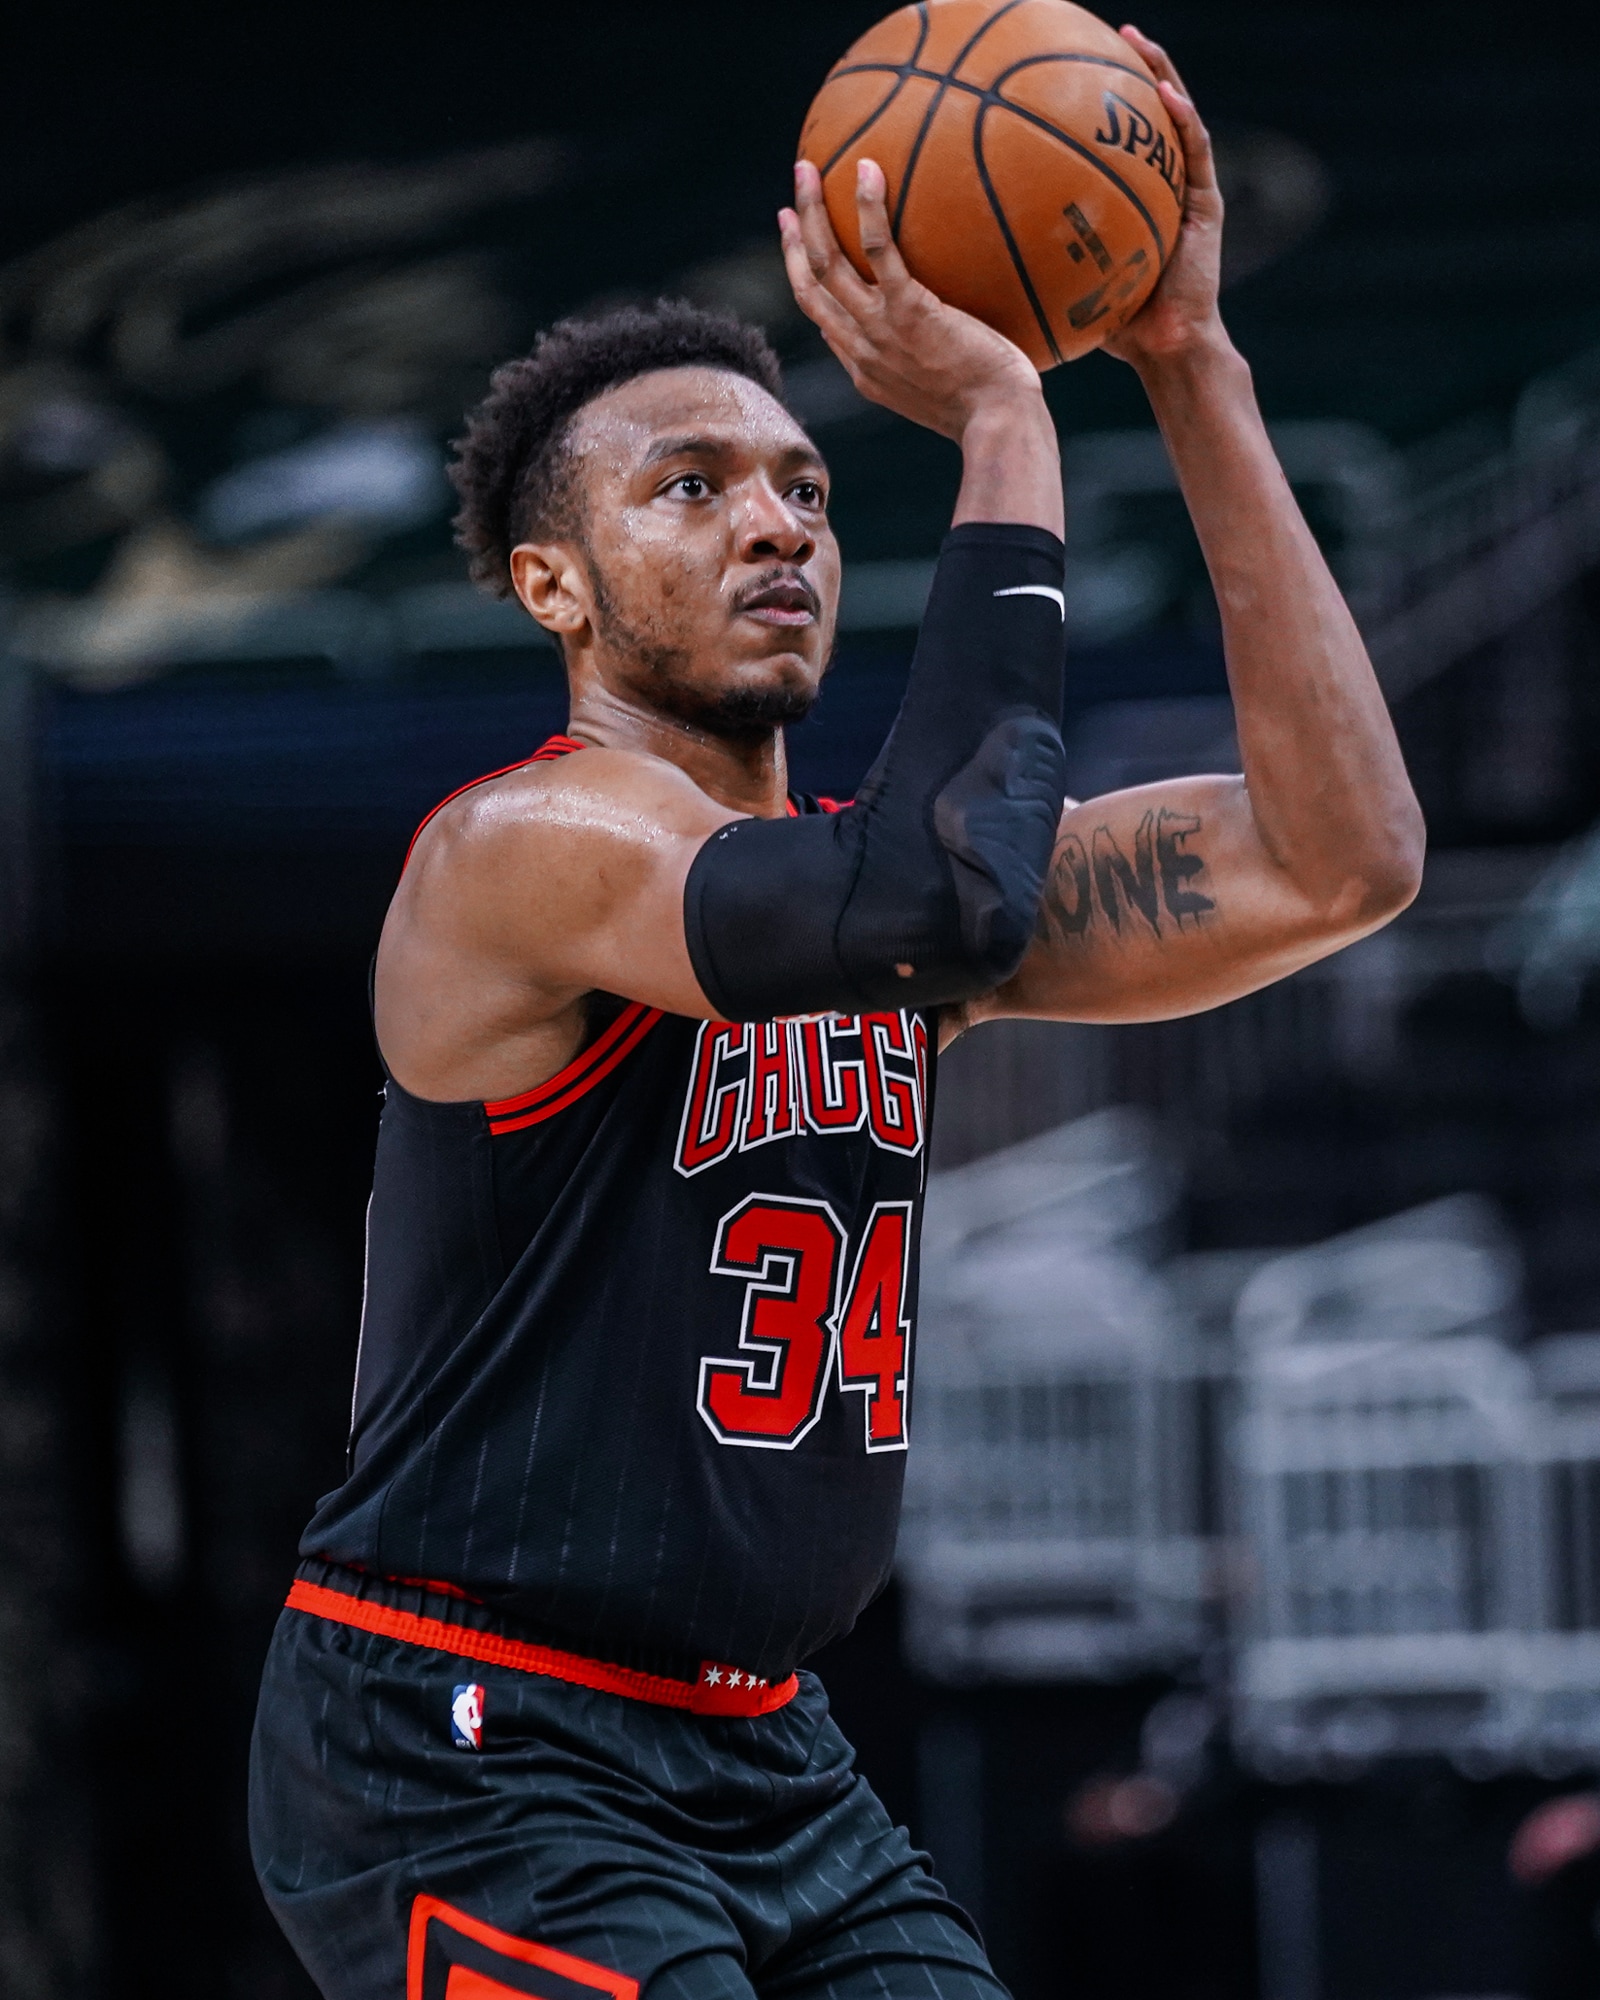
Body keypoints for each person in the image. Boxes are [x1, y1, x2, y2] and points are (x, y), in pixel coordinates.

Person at [250, 29, 1423, 1999]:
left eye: (801, 483)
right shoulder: (520, 850)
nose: (777, 521)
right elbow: (928, 904)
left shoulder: (875, 905)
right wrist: (1004, 420)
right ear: (551, 586)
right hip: (467, 1737)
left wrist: (1188, 362)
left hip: (760, 1747)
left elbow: (1340, 859)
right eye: (689, 487)